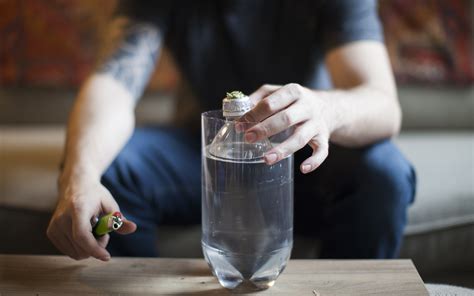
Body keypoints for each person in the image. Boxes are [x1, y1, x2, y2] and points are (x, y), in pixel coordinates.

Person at [47, 0, 416, 261]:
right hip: (204, 153)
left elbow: (384, 105)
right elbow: (113, 84)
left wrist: (326, 108)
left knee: (385, 176)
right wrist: (78, 178)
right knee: (107, 170)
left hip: (298, 154)